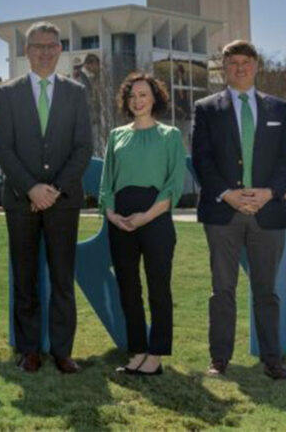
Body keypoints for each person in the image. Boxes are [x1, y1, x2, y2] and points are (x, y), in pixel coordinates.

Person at [192, 39, 286, 380]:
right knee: (222, 290)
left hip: (268, 212)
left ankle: (272, 360)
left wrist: (269, 193)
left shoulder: (279, 109)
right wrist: (227, 194)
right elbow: (202, 160)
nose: (240, 68)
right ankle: (219, 359)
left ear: (256, 66)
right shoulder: (207, 108)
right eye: (233, 62)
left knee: (266, 290)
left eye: (246, 62)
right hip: (224, 213)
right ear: (224, 67)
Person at [0, 21, 93, 374]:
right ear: (27, 51)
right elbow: (4, 150)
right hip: (21, 201)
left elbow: (84, 147)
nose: (45, 52)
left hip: (63, 202)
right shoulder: (8, 94)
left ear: (61, 50)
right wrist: (32, 188)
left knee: (63, 279)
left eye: (52, 46)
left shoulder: (76, 92)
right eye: (38, 46)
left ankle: (63, 351)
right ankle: (29, 350)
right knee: (25, 279)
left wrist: (54, 191)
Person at [99, 72, 185, 376]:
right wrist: (111, 214)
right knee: (128, 288)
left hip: (156, 219)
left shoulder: (170, 135)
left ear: (155, 98)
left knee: (158, 287)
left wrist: (145, 217)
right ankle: (136, 351)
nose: (137, 101)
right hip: (120, 221)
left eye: (143, 95)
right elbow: (106, 182)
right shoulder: (116, 136)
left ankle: (156, 355)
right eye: (132, 96)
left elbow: (174, 185)